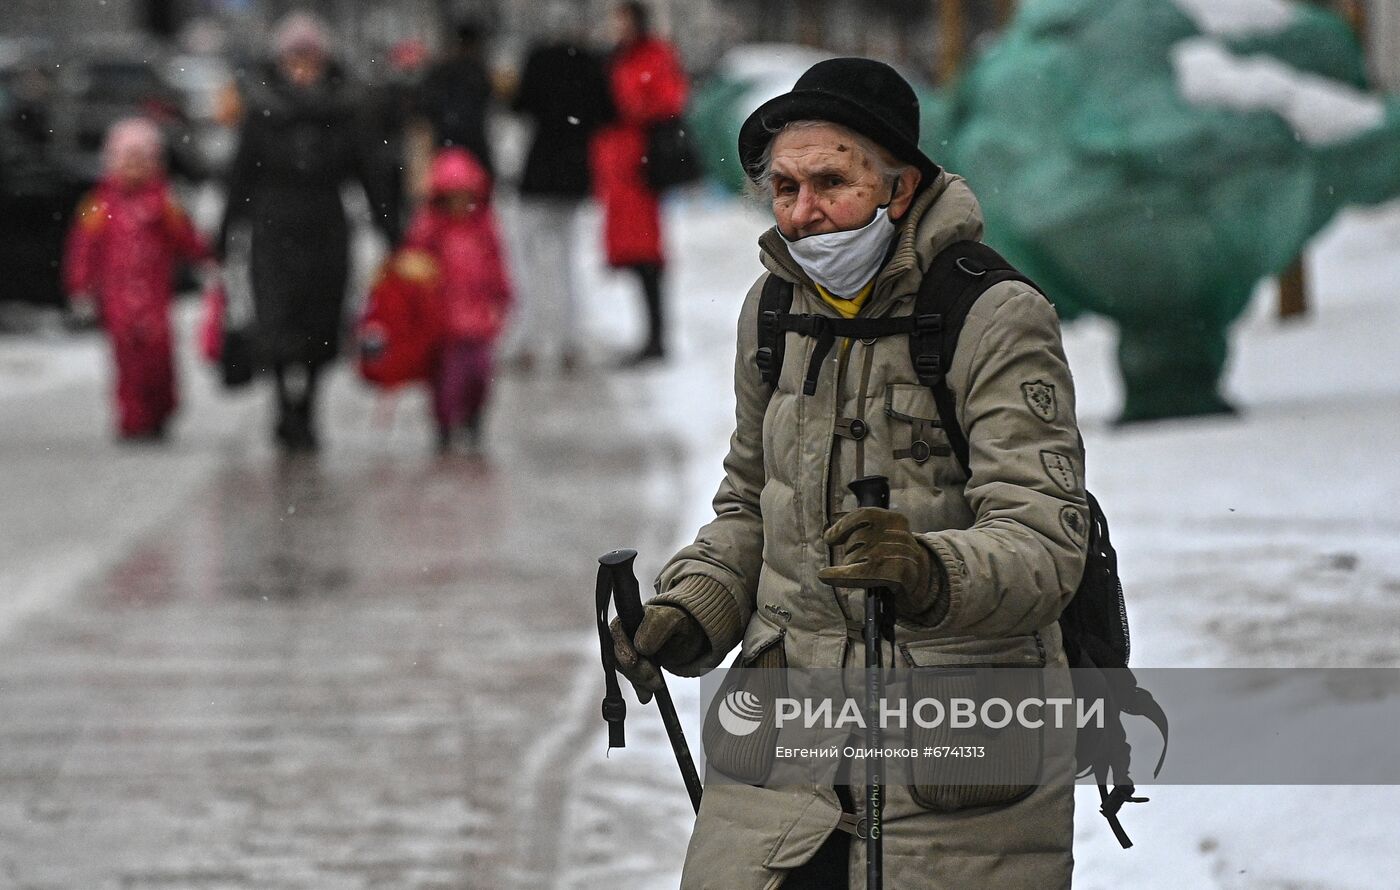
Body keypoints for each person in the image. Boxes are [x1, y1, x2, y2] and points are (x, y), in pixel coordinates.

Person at [610, 59, 1088, 888]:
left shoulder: (992, 314)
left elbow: (1047, 541)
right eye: (785, 187)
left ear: (901, 187)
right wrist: (694, 606)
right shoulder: (773, 312)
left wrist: (930, 570)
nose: (805, 211)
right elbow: (750, 504)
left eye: (832, 181)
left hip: (953, 769)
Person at [220, 12, 397, 452]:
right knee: (276, 320)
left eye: (309, 58)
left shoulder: (347, 109)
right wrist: (226, 232)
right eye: (294, 58)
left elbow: (369, 171)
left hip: (325, 226)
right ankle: (283, 404)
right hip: (274, 225)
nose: (302, 68)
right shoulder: (261, 111)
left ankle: (309, 408)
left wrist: (389, 228)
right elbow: (241, 174)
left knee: (322, 322)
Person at [64, 117, 212, 441]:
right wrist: (81, 285)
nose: (133, 169)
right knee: (126, 359)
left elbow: (186, 238)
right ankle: (133, 417)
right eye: (126, 161)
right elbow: (83, 248)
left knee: (158, 356)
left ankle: (161, 409)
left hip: (155, 292)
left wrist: (207, 258)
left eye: (140, 161)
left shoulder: (164, 202)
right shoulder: (99, 204)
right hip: (116, 294)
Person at [508, 5, 613, 373]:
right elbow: (607, 113)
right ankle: (570, 342)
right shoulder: (590, 63)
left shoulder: (537, 59)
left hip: (538, 172)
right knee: (569, 262)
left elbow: (519, 105)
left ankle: (527, 341)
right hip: (575, 173)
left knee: (528, 263)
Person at [590, 1, 688, 364]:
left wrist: (630, 105)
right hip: (623, 167)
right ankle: (651, 335)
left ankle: (656, 337)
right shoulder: (620, 57)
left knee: (646, 255)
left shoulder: (650, 56)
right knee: (636, 255)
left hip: (639, 167)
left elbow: (662, 100)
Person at [401, 148, 512, 455]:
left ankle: (474, 418)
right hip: (443, 321)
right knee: (447, 380)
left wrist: (503, 295)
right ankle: (445, 425)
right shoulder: (429, 231)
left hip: (477, 320)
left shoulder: (484, 229)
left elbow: (496, 265)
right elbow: (414, 270)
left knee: (479, 374)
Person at [413, 20, 496, 177]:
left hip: (445, 144)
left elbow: (424, 106)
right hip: (472, 146)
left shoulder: (441, 72)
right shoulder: (478, 73)